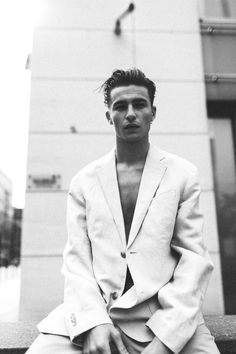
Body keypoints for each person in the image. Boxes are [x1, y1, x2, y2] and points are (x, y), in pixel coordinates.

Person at [26, 69, 220, 354]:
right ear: (109, 116)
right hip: (99, 311)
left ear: (153, 112)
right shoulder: (84, 181)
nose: (130, 113)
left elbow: (193, 262)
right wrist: (93, 323)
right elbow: (77, 262)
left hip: (164, 314)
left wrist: (167, 340)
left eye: (139, 104)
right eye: (120, 106)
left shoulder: (183, 175)